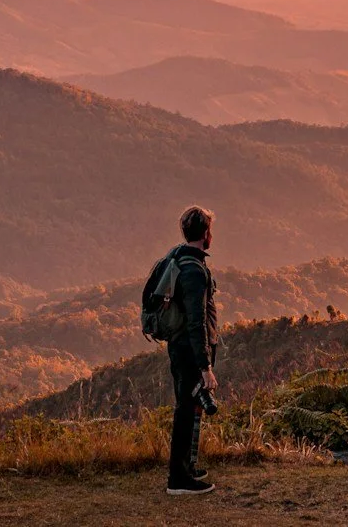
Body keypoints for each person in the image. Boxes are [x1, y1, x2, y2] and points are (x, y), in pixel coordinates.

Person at [163, 204, 219, 495]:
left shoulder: (181, 259)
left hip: (181, 346)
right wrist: (205, 367)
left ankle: (187, 467)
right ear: (206, 233)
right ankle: (179, 480)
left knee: (191, 408)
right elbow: (196, 321)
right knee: (186, 410)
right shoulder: (194, 270)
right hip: (189, 350)